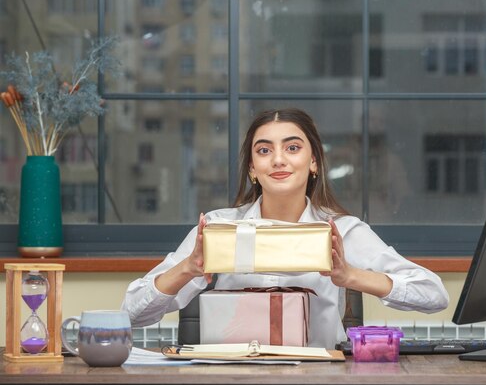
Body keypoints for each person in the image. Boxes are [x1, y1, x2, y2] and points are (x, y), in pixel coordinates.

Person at [121, 108, 449, 349]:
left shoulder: (343, 231)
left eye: (292, 148)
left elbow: (434, 294)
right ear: (252, 168)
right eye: (264, 151)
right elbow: (131, 314)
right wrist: (187, 269)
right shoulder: (218, 228)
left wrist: (350, 276)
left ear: (314, 162)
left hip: (320, 383)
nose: (278, 160)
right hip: (232, 381)